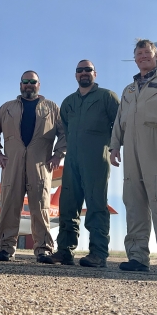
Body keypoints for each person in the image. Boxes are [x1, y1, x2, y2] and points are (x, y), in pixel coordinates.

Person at [110, 39, 157, 275]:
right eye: (139, 53)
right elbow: (119, 119)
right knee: (133, 203)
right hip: (131, 149)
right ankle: (137, 257)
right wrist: (114, 146)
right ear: (135, 59)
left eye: (148, 53)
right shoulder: (129, 89)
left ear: (156, 57)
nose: (143, 56)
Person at [39, 60, 119, 268]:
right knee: (67, 205)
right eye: (80, 70)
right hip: (72, 160)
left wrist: (113, 148)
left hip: (96, 159)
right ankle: (65, 251)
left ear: (95, 73)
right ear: (75, 75)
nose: (84, 73)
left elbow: (119, 124)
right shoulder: (68, 103)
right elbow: (66, 129)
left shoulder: (107, 97)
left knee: (96, 205)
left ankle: (98, 253)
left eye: (88, 70)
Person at [0, 71, 66, 262]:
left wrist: (58, 155)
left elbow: (64, 133)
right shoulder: (6, 108)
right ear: (20, 84)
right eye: (25, 82)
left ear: (39, 84)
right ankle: (5, 248)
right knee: (9, 205)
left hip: (40, 165)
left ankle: (43, 249)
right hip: (12, 163)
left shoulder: (52, 108)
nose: (29, 85)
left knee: (41, 206)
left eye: (33, 82)